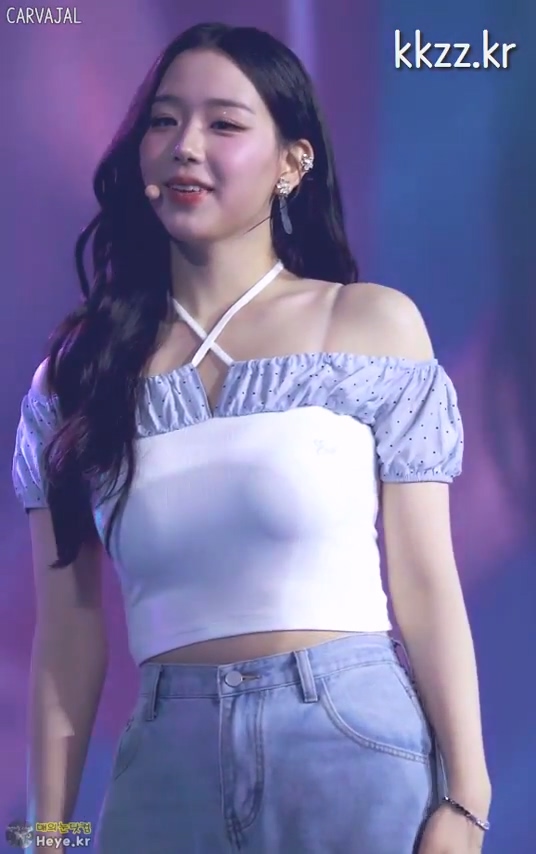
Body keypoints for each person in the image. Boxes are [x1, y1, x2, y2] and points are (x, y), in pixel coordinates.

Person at [12, 22, 491, 854]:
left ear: (291, 162)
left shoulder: (367, 324)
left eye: (224, 124)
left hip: (348, 743)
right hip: (165, 763)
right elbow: (67, 636)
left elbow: (425, 582)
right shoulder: (77, 375)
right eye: (164, 121)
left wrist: (465, 800)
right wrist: (43, 834)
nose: (186, 146)